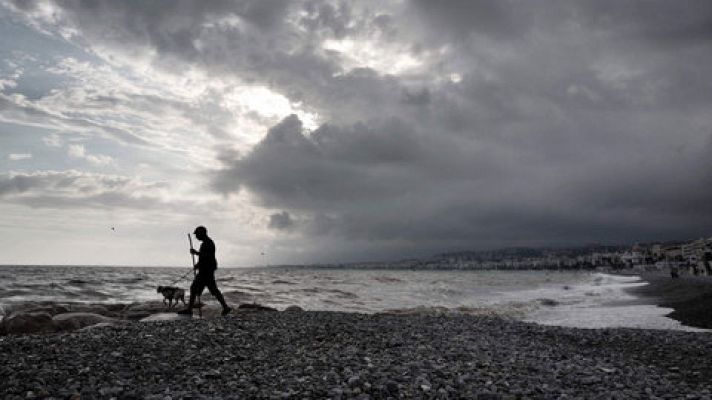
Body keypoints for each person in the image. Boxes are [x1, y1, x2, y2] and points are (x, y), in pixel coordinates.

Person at [177, 226, 232, 316]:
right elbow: (204, 258)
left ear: (202, 233)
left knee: (195, 288)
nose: (196, 237)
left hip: (206, 272)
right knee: (211, 290)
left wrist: (196, 253)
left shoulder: (208, 243)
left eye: (197, 234)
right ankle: (225, 307)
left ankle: (189, 310)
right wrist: (198, 265)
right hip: (206, 270)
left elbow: (208, 256)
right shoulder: (205, 243)